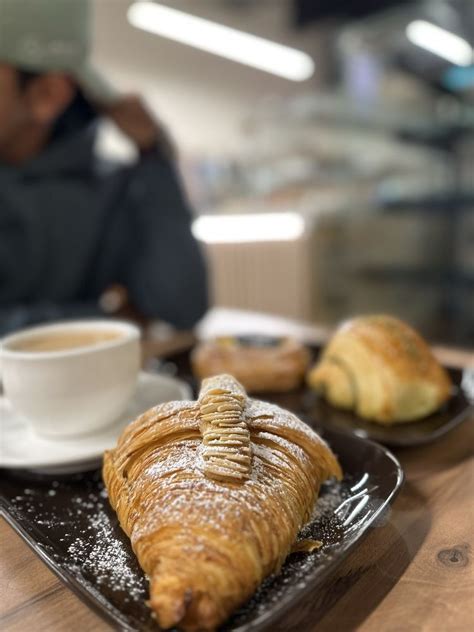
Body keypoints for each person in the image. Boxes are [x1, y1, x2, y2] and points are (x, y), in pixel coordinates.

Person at [0, 0, 208, 335]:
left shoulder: (107, 188)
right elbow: (124, 326)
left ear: (47, 94)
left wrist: (153, 155)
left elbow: (180, 306)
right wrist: (100, 318)